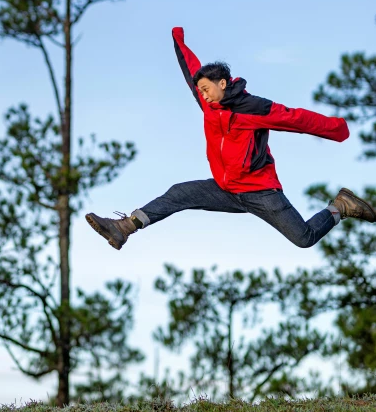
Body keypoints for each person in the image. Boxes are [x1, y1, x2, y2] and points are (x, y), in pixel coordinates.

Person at [85, 27, 376, 251]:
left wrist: (337, 129)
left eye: (206, 88)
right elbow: (189, 69)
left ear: (222, 83)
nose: (202, 94)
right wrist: (178, 38)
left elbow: (296, 118)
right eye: (199, 90)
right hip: (225, 189)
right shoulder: (208, 105)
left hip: (261, 192)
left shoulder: (255, 108)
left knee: (304, 238)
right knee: (179, 193)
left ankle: (341, 206)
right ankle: (124, 227)